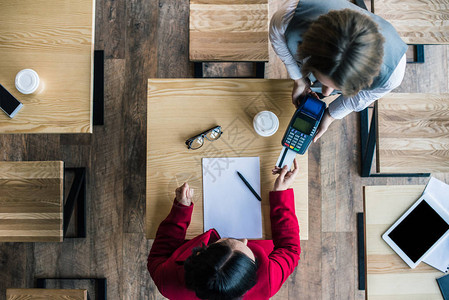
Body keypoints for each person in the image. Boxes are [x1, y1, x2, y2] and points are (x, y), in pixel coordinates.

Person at [147, 159, 301, 300]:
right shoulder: (267, 282)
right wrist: (281, 194)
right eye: (247, 250)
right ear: (251, 279)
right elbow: (290, 249)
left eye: (228, 241)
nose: (244, 239)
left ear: (199, 253)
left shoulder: (167, 282)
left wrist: (180, 212)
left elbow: (158, 256)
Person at [270, 0, 408, 141]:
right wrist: (299, 80)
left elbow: (362, 97)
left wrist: (331, 115)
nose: (325, 93)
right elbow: (279, 42)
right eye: (324, 82)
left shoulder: (392, 76)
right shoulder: (287, 18)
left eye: (337, 87)